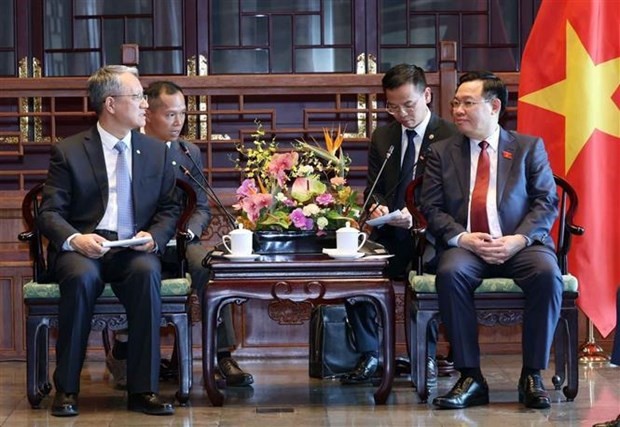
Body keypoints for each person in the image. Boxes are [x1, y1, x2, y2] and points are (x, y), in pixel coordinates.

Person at [37, 65, 178, 416]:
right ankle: (67, 389)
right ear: (111, 104)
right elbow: (49, 213)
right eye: (138, 96)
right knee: (82, 277)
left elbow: (169, 208)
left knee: (147, 273)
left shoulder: (157, 151)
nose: (145, 104)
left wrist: (155, 236)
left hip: (133, 248)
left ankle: (143, 390)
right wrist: (75, 239)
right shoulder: (69, 151)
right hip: (85, 247)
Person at [420, 71, 562, 410]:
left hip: (519, 244)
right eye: (455, 103)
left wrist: (519, 239)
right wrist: (462, 237)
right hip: (467, 246)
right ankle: (471, 377)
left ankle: (532, 375)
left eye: (468, 103)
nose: (457, 110)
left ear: (494, 106)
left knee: (546, 274)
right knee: (450, 274)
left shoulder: (528, 147)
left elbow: (546, 202)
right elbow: (431, 207)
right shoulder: (442, 152)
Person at [105, 80, 253, 388]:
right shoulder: (127, 147)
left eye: (183, 114)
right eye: (170, 115)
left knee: (209, 266)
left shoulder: (188, 152)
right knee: (141, 272)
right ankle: (124, 346)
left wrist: (189, 231)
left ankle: (222, 354)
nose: (179, 122)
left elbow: (201, 206)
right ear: (148, 114)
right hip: (138, 242)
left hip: (180, 241)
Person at [341, 64, 457, 385]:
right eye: (393, 106)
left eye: (409, 104)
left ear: (427, 96)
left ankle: (427, 355)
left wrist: (418, 218)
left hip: (430, 233)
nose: (402, 113)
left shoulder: (450, 136)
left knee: (431, 264)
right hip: (390, 229)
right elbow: (373, 186)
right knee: (353, 266)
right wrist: (376, 202)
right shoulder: (383, 135)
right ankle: (371, 354)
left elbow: (457, 198)